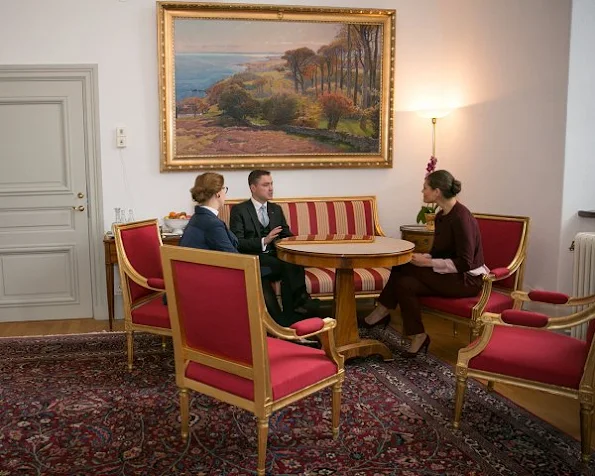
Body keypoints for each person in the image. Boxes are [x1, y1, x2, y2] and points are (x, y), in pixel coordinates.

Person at [363, 170, 488, 357]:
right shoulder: (441, 216)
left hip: (467, 280)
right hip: (450, 275)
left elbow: (464, 263)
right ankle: (418, 335)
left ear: (437, 192)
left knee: (402, 266)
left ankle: (380, 312)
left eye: (425, 188)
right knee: (405, 283)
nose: (422, 192)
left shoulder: (462, 218)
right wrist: (424, 258)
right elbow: (439, 254)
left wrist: (426, 264)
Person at [179, 172, 286, 326]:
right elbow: (235, 260)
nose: (225, 193)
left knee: (262, 276)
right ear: (217, 194)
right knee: (261, 277)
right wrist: (259, 269)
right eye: (224, 189)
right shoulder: (212, 224)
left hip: (197, 278)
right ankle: (280, 329)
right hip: (206, 285)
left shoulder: (199, 217)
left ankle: (277, 328)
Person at [229, 169, 320, 322]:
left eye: (271, 184)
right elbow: (238, 242)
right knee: (287, 265)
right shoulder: (240, 210)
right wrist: (264, 240)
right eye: (266, 185)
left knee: (291, 263)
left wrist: (299, 244)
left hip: (275, 258)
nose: (271, 188)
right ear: (253, 188)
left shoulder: (275, 209)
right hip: (255, 258)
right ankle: (300, 303)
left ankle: (292, 314)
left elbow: (286, 235)